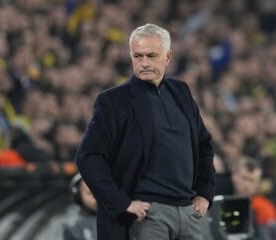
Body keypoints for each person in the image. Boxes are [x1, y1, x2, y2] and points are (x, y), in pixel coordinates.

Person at [75, 23, 216, 240]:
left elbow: (203, 144)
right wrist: (122, 203)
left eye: (151, 56)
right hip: (147, 217)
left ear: (168, 57)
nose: (144, 63)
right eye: (138, 56)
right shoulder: (113, 101)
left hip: (189, 213)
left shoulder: (181, 92)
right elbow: (88, 156)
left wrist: (205, 193)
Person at [63, 173, 98, 240]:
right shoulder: (73, 228)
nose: (96, 198)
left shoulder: (116, 221)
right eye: (90, 193)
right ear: (78, 196)